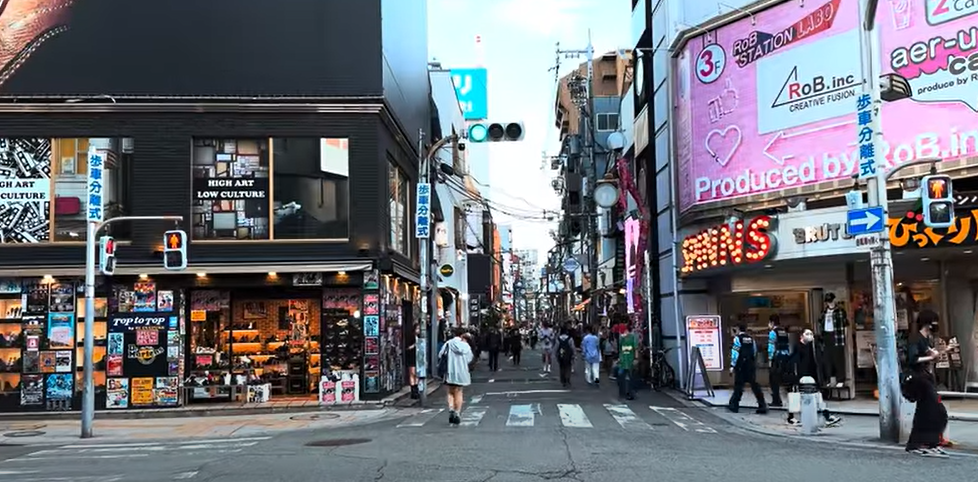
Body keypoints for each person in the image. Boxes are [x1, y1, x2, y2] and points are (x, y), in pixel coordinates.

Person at [905, 310, 956, 457]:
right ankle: (922, 444)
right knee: (935, 412)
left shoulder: (926, 338)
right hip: (917, 379)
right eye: (934, 321)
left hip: (925, 378)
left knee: (929, 412)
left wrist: (943, 351)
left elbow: (931, 356)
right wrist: (930, 357)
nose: (936, 324)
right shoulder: (915, 338)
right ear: (928, 322)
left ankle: (925, 444)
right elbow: (913, 360)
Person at [787, 329, 841, 426]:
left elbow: (818, 361)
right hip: (801, 377)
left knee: (817, 396)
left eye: (811, 334)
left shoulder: (813, 347)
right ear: (801, 336)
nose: (809, 336)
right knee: (797, 396)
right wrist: (795, 377)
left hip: (812, 377)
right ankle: (792, 417)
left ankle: (826, 416)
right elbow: (794, 363)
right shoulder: (798, 347)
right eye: (807, 334)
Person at [727, 324, 768, 414]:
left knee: (738, 386)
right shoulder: (751, 339)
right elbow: (754, 351)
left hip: (741, 365)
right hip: (750, 364)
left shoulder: (737, 339)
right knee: (754, 385)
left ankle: (734, 405)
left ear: (737, 329)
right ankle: (762, 405)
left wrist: (732, 365)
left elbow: (735, 353)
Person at [439, 327, 473, 426]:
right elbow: (469, 358)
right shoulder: (465, 345)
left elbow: (441, 355)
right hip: (461, 372)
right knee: (459, 391)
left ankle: (451, 409)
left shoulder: (448, 343)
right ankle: (457, 413)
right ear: (462, 335)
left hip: (450, 371)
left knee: (450, 391)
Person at [767, 314, 790, 407]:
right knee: (782, 378)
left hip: (776, 357)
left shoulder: (773, 332)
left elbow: (771, 347)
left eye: (769, 323)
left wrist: (769, 359)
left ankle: (776, 400)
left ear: (772, 323)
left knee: (773, 379)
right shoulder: (784, 331)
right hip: (785, 356)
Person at [617, 325, 637, 400]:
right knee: (620, 375)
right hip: (623, 360)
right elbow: (620, 349)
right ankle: (623, 391)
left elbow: (636, 348)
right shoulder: (621, 338)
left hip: (630, 360)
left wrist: (635, 358)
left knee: (629, 377)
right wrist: (619, 357)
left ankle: (630, 393)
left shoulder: (632, 338)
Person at [406, 324, 420, 399]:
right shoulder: (411, 337)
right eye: (417, 328)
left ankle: (416, 388)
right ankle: (413, 390)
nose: (418, 330)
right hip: (411, 357)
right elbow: (408, 348)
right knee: (412, 373)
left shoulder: (420, 337)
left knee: (417, 374)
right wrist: (415, 345)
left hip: (417, 357)